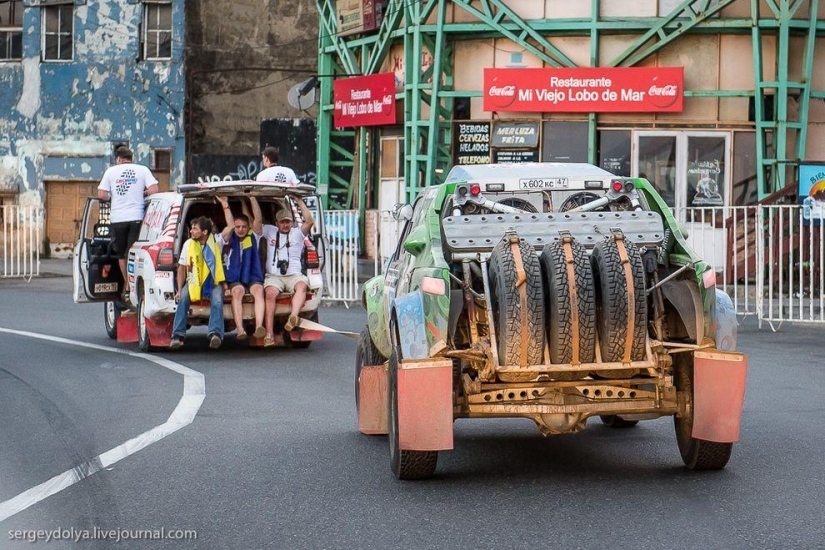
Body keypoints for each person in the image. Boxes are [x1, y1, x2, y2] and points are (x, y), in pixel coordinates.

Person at [250, 195, 314, 347]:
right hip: (274, 276)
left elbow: (309, 221)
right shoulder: (270, 231)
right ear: (276, 223)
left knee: (302, 286)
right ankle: (269, 334)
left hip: (294, 275)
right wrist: (253, 199)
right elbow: (257, 223)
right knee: (270, 293)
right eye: (283, 222)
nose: (286, 225)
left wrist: (299, 201)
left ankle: (293, 317)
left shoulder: (297, 233)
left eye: (288, 222)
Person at [97, 146, 159, 299]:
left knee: (121, 254)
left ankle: (127, 284)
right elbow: (155, 190)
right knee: (133, 252)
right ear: (131, 158)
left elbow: (101, 194)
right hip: (136, 217)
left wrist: (113, 198)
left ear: (118, 159)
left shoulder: (111, 172)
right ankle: (135, 285)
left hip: (118, 218)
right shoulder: (142, 170)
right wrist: (142, 193)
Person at [171, 216, 227, 350]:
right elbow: (181, 268)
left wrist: (225, 205)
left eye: (195, 229)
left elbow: (230, 227)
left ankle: (215, 334)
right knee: (183, 298)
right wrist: (179, 289)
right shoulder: (188, 244)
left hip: (212, 282)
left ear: (205, 232)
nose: (191, 232)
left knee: (218, 300)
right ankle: (177, 335)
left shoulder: (216, 241)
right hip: (193, 281)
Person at [215, 195, 266, 341]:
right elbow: (230, 225)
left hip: (252, 276)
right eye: (238, 227)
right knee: (237, 291)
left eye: (244, 226)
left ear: (248, 227)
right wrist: (225, 204)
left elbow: (258, 219)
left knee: (258, 291)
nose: (241, 229)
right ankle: (240, 329)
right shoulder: (227, 239)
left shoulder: (253, 236)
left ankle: (258, 327)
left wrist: (252, 197)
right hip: (234, 278)